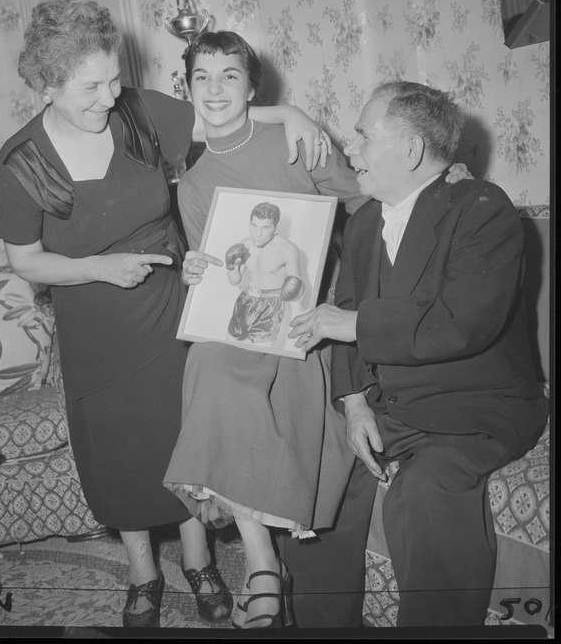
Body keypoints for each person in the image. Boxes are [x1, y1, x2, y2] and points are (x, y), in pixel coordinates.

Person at [0, 0, 333, 628]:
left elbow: (223, 117)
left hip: (172, 301)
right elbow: (26, 260)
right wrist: (96, 267)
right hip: (95, 316)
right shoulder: (20, 162)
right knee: (119, 446)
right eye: (89, 86)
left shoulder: (137, 113)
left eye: (113, 76)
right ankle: (142, 569)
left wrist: (294, 111)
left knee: (181, 428)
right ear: (45, 86)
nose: (108, 94)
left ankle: (199, 558)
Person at [162, 33, 470, 630]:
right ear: (189, 88)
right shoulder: (194, 181)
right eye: (203, 77)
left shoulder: (294, 140)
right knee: (207, 361)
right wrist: (195, 270)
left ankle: (265, 573)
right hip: (246, 323)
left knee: (226, 369)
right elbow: (220, 264)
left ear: (254, 87)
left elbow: (370, 203)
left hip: (316, 315)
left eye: (231, 76)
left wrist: (440, 185)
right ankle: (261, 563)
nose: (216, 89)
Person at [289, 81, 549, 628]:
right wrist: (356, 403)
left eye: (362, 136)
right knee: (316, 464)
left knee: (425, 491)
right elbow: (349, 319)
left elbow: (461, 324)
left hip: (477, 407)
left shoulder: (482, 209)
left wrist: (352, 323)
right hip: (394, 404)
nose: (350, 148)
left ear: (410, 151)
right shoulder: (362, 222)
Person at [226, 202, 304, 344]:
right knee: (229, 347)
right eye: (254, 226)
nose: (258, 234)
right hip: (245, 299)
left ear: (276, 228)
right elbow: (234, 281)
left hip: (270, 306)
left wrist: (294, 289)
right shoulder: (245, 245)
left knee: (258, 357)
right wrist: (231, 267)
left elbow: (296, 292)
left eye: (265, 227)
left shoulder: (287, 249)